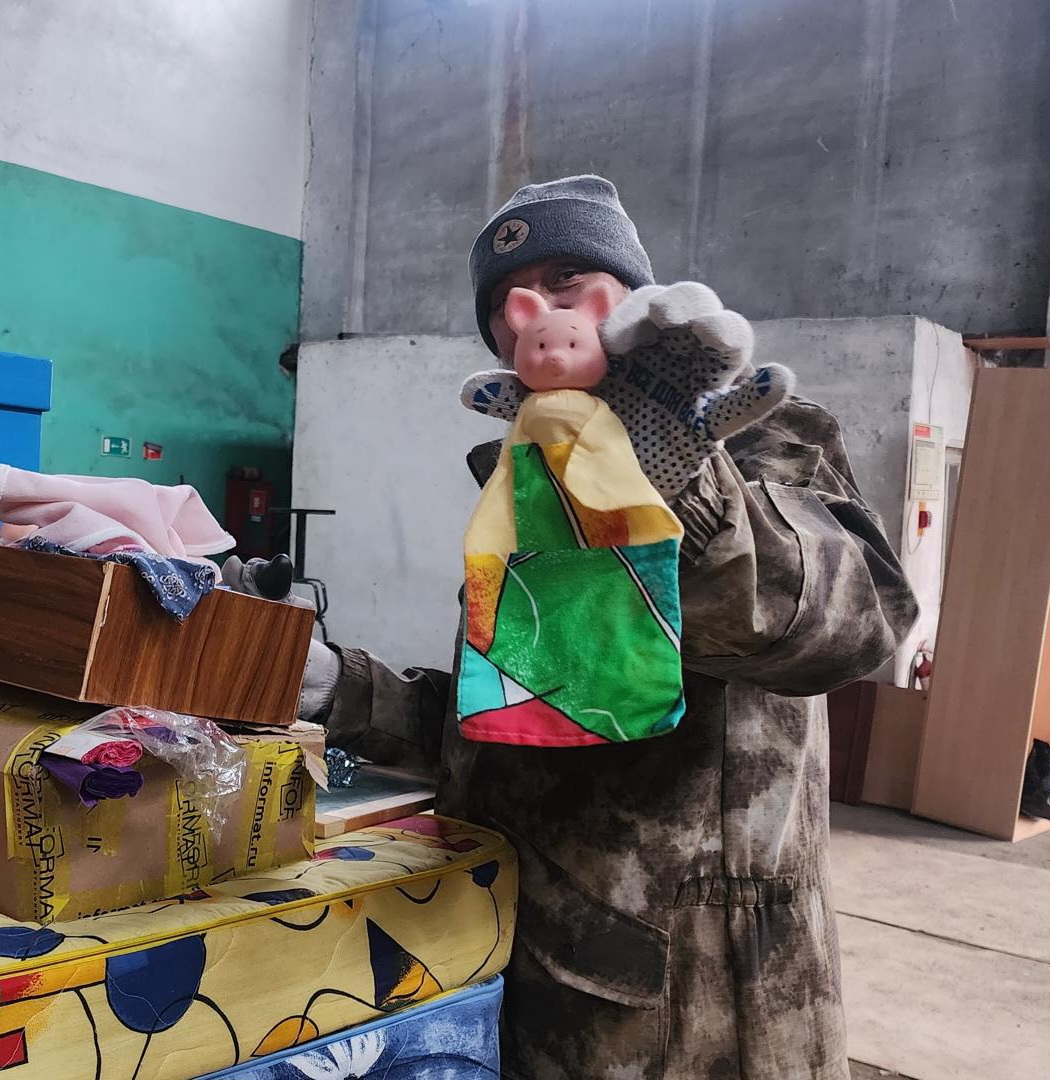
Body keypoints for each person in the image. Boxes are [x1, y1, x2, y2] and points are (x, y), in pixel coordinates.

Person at [274, 176, 917, 1079]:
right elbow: (516, 718)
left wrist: (677, 491)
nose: (537, 309)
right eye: (507, 302)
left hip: (694, 1014)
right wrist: (340, 687)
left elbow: (849, 627)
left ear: (632, 296)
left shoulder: (763, 444)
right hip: (526, 968)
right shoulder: (529, 483)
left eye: (567, 279)